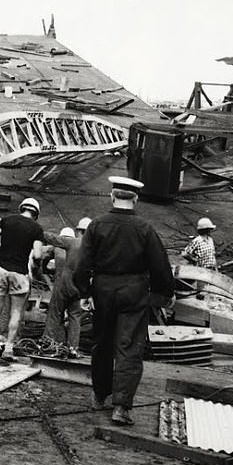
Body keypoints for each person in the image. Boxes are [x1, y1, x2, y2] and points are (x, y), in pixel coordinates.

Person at [74, 176, 173, 426]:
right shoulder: (144, 229)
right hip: (134, 291)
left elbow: (83, 263)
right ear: (136, 198)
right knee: (129, 348)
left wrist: (84, 292)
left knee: (102, 344)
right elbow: (160, 265)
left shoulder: (97, 226)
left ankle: (99, 396)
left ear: (112, 196)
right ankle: (121, 407)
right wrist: (164, 294)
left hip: (103, 290)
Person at [0, 197, 45, 361]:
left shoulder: (7, 220)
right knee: (16, 311)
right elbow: (38, 254)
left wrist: (0, 250)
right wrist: (37, 265)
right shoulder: (37, 229)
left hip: (1, 268)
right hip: (20, 272)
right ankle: (8, 349)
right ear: (36, 214)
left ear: (22, 208)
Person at [40, 226, 85, 358]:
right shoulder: (88, 249)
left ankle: (48, 343)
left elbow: (45, 260)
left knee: (54, 314)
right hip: (77, 286)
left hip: (62, 284)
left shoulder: (59, 246)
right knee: (75, 316)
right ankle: (73, 348)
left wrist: (45, 270)